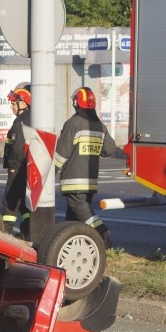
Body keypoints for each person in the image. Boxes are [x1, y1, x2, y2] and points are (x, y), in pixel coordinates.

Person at [53, 86, 116, 247]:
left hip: (73, 180)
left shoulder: (73, 123)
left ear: (76, 103)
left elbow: (61, 153)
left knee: (81, 210)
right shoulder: (99, 126)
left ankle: (102, 233)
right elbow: (109, 149)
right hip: (90, 181)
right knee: (72, 220)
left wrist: (49, 173)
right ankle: (69, 245)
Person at [1, 86, 32, 238]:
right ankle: (27, 232)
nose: (11, 106)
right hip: (26, 168)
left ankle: (4, 233)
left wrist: (12, 166)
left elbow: (17, 148)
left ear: (24, 103)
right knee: (25, 205)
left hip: (18, 167)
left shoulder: (21, 122)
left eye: (14, 103)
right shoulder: (29, 119)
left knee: (10, 201)